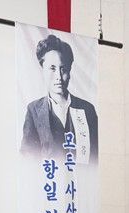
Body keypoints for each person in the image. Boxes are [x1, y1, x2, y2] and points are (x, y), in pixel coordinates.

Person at [21, 34, 98, 163]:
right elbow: (28, 157)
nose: (58, 76)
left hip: (80, 175)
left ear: (70, 71)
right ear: (43, 70)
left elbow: (95, 156)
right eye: (52, 68)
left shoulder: (87, 109)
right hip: (50, 175)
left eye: (63, 69)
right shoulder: (33, 110)